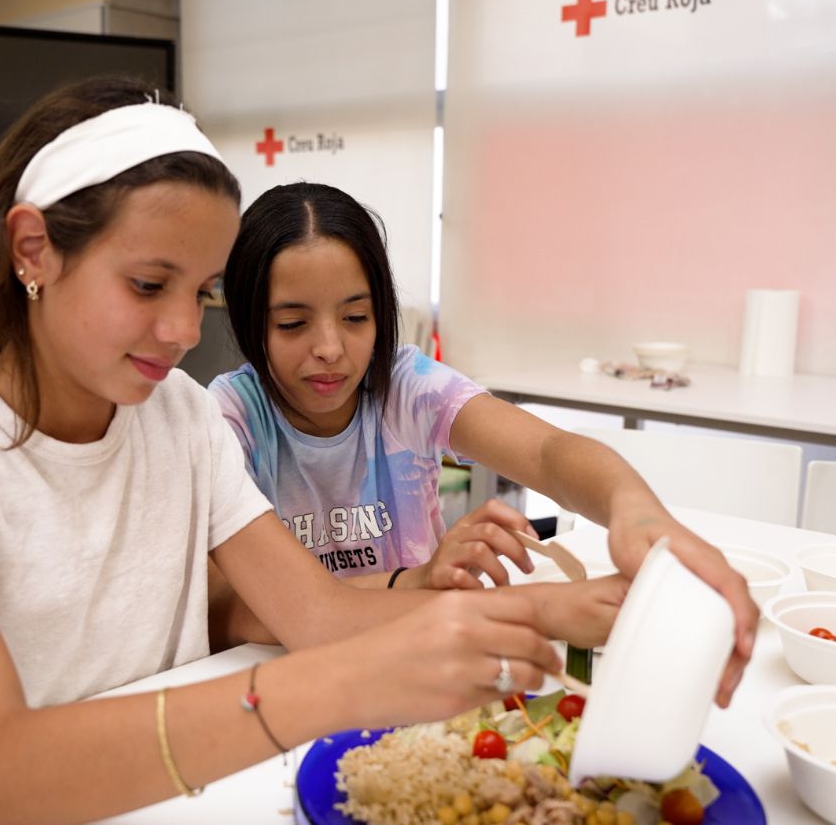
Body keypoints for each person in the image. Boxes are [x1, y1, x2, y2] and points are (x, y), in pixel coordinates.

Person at [0, 76, 632, 824]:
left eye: (198, 293)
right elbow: (4, 771)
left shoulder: (182, 419)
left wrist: (564, 608)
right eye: (148, 284)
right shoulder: (204, 416)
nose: (183, 332)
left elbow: (315, 614)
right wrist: (341, 684)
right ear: (33, 250)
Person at [209, 181, 758, 707]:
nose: (329, 348)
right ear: (249, 322)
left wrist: (633, 511)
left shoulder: (403, 388)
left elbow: (548, 454)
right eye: (292, 323)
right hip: (284, 688)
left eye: (356, 317)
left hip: (426, 666)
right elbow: (235, 614)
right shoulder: (231, 421)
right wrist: (417, 582)